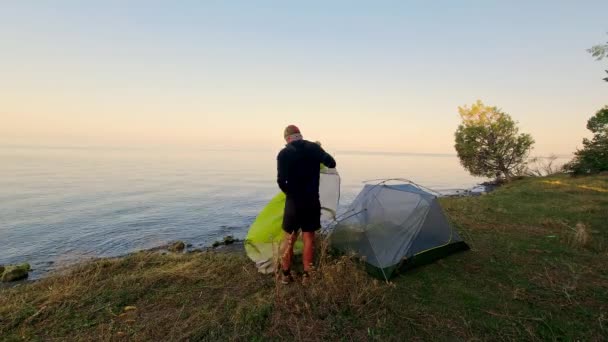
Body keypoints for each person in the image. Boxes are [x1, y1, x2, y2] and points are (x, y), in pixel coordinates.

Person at [277, 125, 336, 285]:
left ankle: (285, 275)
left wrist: (291, 194)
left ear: (287, 139)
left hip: (293, 203)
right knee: (309, 238)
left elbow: (281, 181)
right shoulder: (313, 148)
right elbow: (331, 163)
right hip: (311, 201)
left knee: (289, 239)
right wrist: (320, 150)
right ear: (300, 135)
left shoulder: (284, 153)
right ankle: (307, 277)